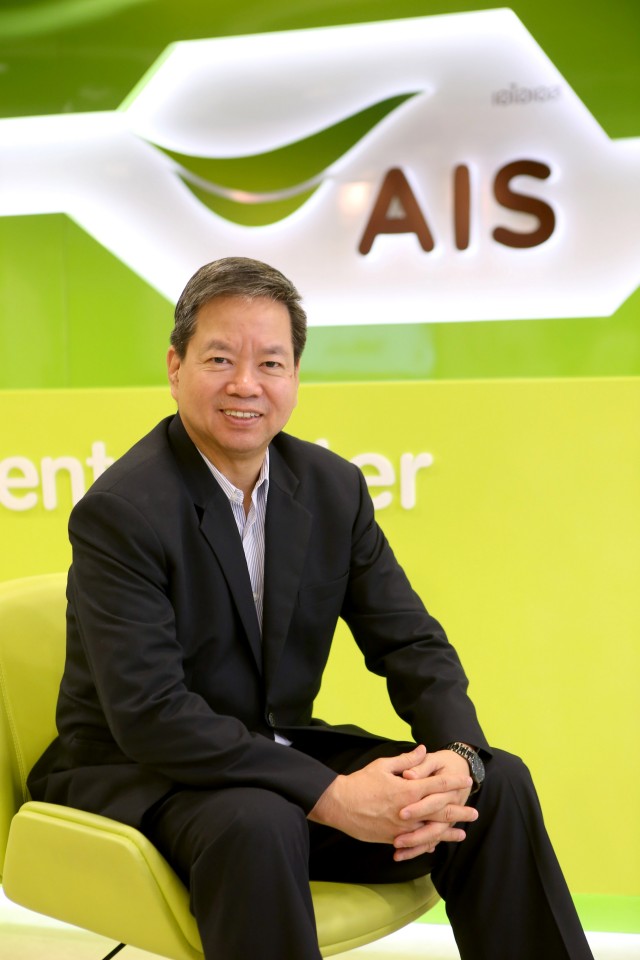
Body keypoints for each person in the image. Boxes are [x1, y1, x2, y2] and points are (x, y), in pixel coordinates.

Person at [28, 257, 594, 960]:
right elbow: (150, 714)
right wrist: (331, 795)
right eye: (219, 358)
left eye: (270, 363)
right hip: (141, 774)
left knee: (495, 783)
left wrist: (458, 754)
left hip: (272, 758)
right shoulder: (121, 511)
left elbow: (410, 642)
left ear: (295, 375)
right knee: (261, 820)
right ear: (175, 366)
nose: (246, 384)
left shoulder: (332, 489)